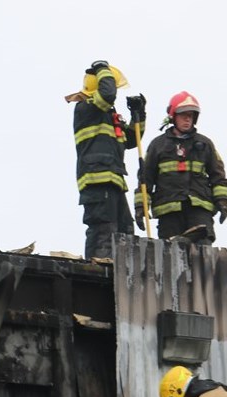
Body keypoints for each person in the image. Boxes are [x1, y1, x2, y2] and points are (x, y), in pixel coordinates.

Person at [65, 60, 145, 259]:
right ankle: (99, 265)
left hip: (114, 181)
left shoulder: (106, 115)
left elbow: (132, 139)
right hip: (96, 181)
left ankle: (125, 269)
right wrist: (102, 68)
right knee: (103, 227)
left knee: (125, 229)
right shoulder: (86, 108)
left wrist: (139, 115)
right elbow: (108, 94)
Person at [134, 91, 227, 243]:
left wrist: (222, 202)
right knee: (170, 254)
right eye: (183, 114)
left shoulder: (205, 144)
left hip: (200, 208)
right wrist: (141, 207)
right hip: (169, 211)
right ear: (173, 116)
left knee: (202, 253)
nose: (187, 119)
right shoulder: (158, 145)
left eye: (191, 115)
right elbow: (145, 180)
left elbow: (218, 177)